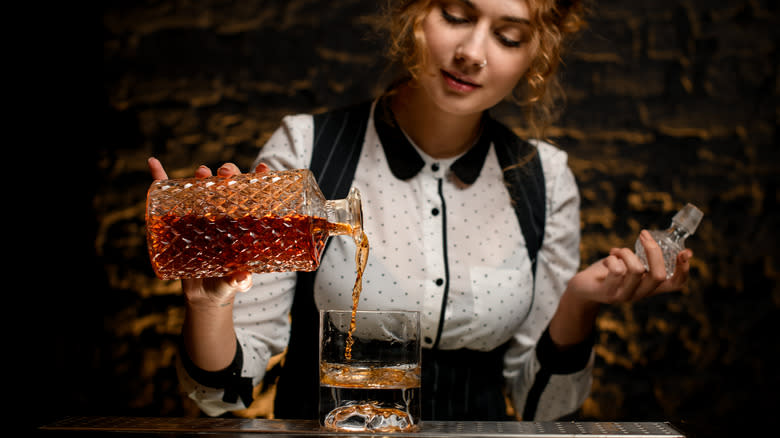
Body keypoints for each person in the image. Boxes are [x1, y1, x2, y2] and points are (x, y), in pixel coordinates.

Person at [148, 0, 693, 421]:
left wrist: (580, 304)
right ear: (414, 15)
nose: (473, 53)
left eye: (508, 36)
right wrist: (210, 303)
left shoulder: (544, 179)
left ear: (535, 57)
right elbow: (224, 394)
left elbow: (541, 411)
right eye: (455, 15)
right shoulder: (306, 149)